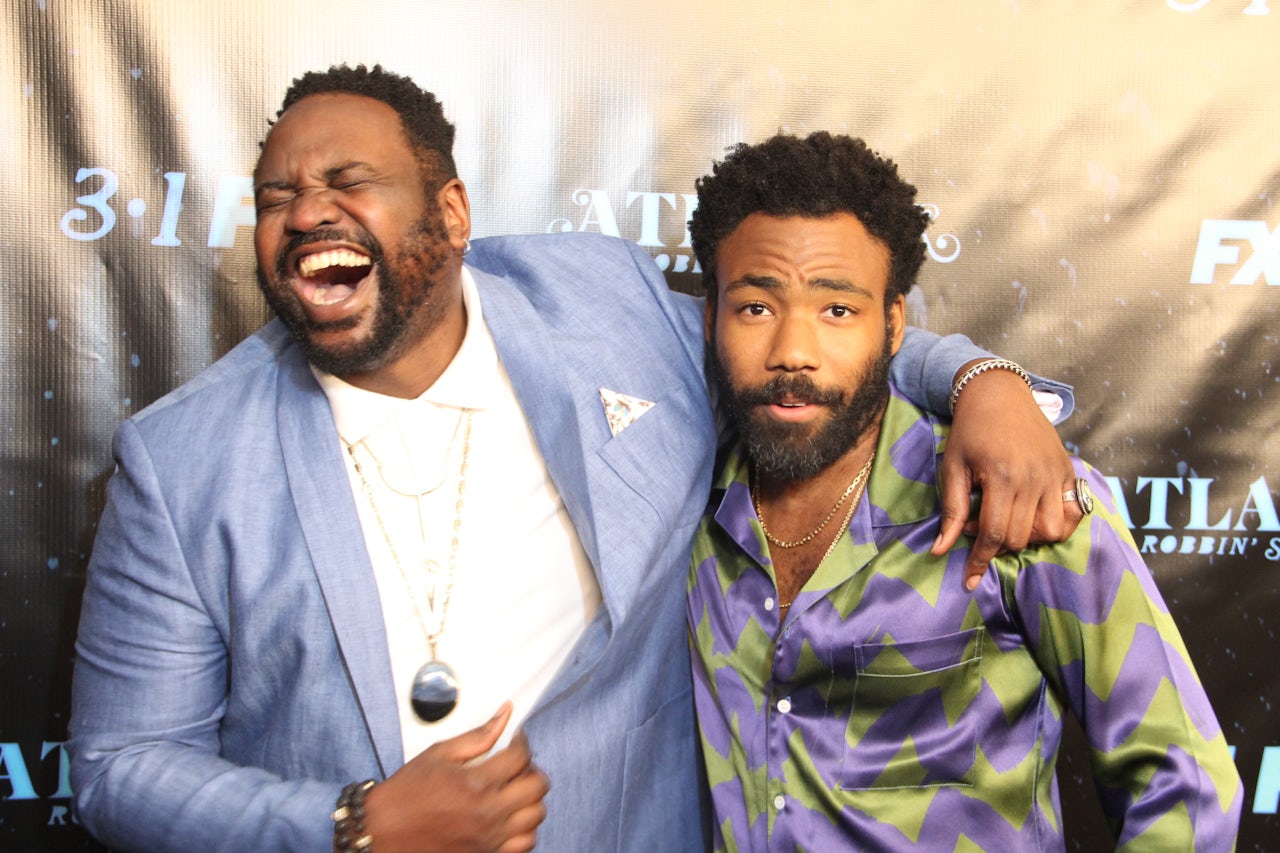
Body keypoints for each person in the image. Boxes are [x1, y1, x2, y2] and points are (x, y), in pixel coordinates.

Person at [68, 66, 1079, 852]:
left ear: (451, 213)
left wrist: (979, 380)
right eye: (277, 195)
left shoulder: (603, 303)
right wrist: (354, 825)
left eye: (348, 182)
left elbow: (796, 336)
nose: (305, 213)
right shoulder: (182, 458)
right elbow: (122, 765)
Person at [686, 131, 1244, 851]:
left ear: (894, 325)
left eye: (838, 311)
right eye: (756, 308)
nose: (793, 351)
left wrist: (986, 379)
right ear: (710, 317)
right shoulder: (680, 496)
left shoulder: (1019, 494)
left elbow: (1186, 785)